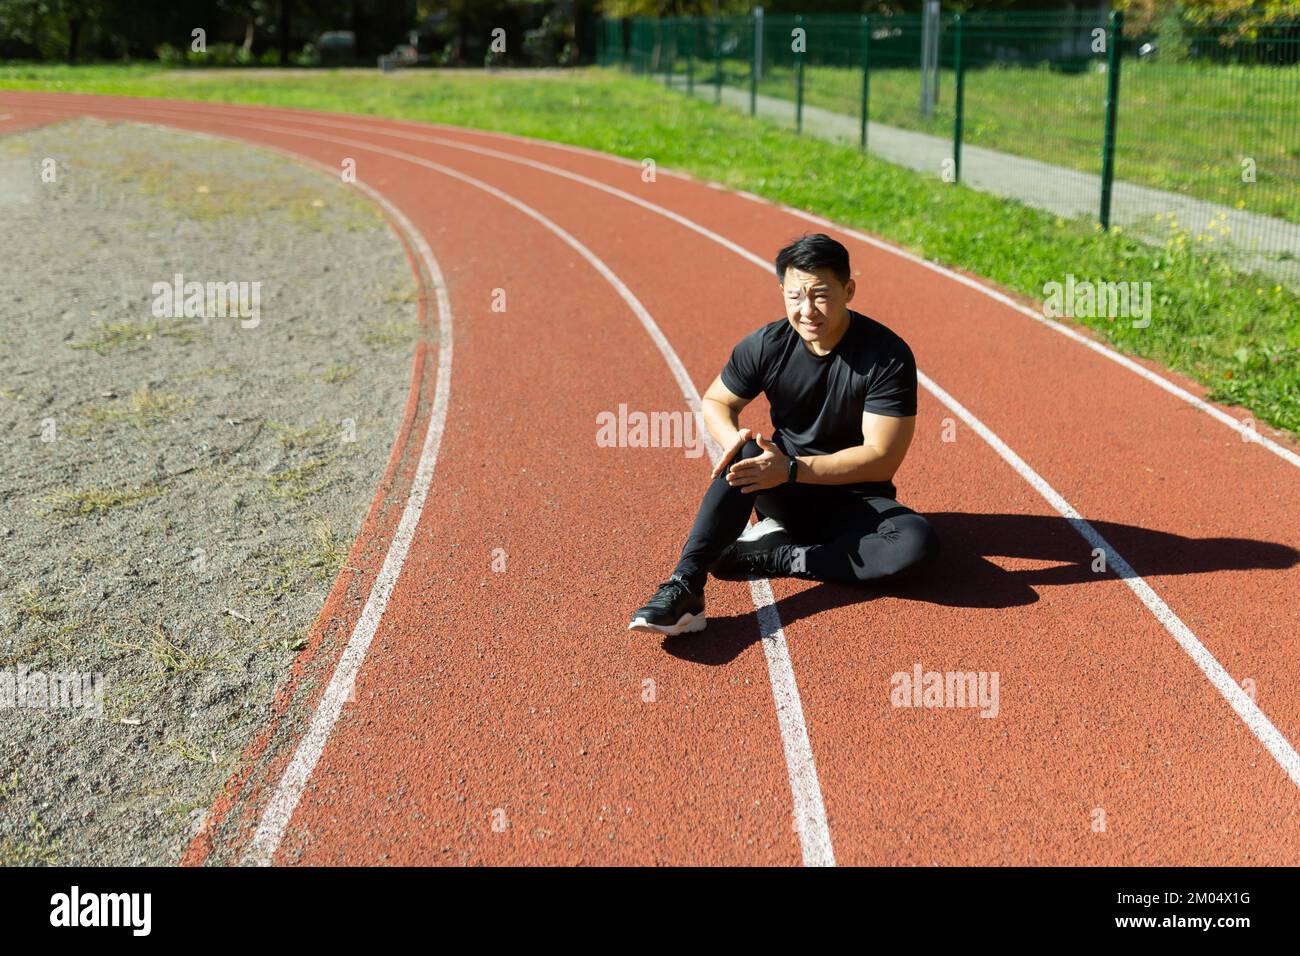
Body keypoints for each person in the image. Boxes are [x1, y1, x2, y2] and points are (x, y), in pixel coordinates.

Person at [628, 232, 939, 636]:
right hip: (781, 491)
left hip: (854, 497)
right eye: (795, 296)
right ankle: (685, 586)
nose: (807, 310)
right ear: (782, 291)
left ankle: (777, 557)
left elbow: (881, 456)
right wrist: (733, 439)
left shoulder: (887, 356)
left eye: (821, 294)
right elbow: (716, 402)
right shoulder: (767, 344)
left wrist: (792, 468)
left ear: (849, 290)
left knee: (916, 544)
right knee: (743, 453)